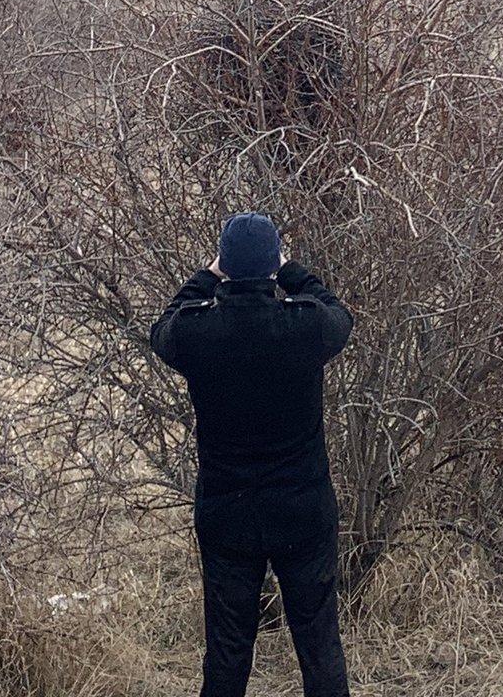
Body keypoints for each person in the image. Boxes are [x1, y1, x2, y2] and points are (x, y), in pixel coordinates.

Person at [150, 212, 353, 697]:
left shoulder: (198, 333)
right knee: (319, 645)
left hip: (228, 514)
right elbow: (339, 313)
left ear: (225, 265)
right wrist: (291, 270)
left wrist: (207, 274)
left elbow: (162, 328)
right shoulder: (305, 327)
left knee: (227, 649)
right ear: (271, 267)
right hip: (302, 510)